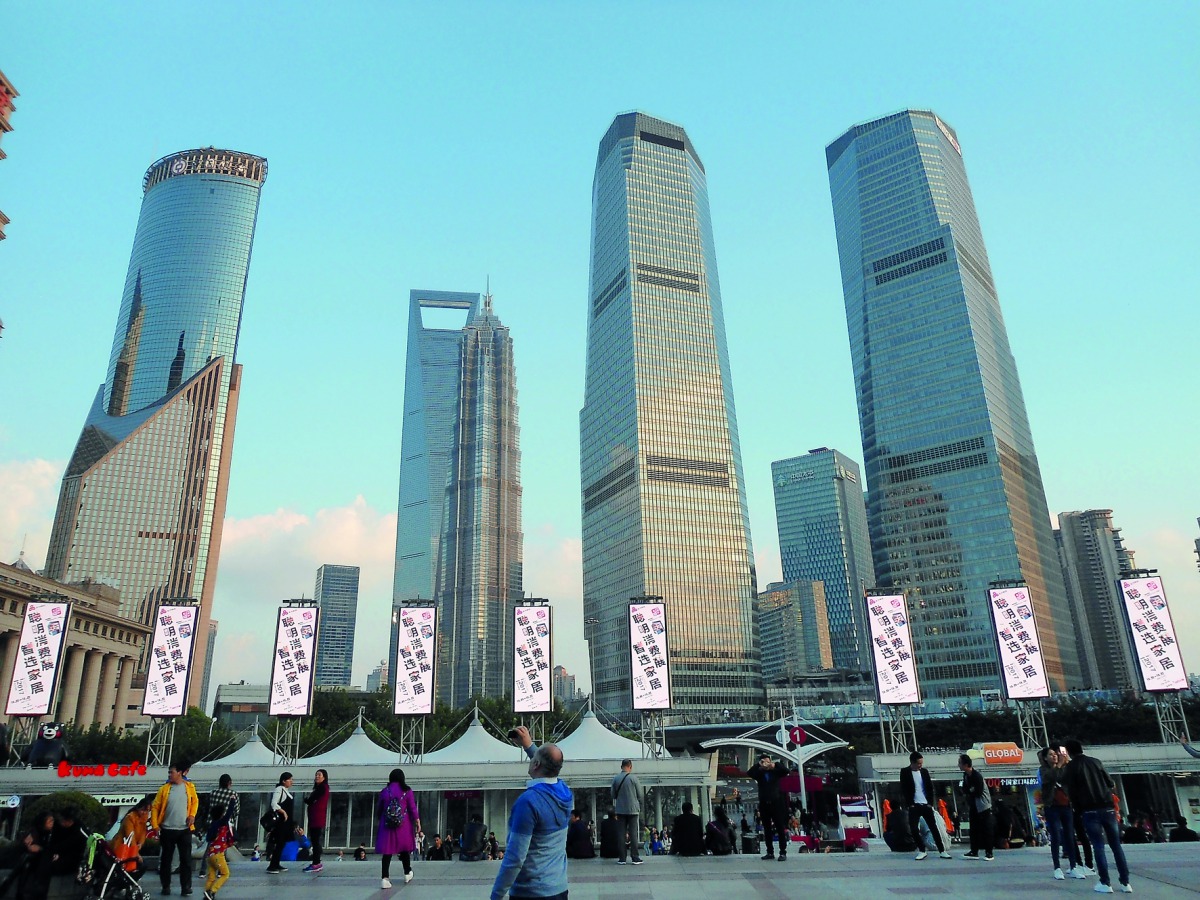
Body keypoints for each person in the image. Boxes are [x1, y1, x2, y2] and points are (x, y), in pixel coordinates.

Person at [491, 724, 572, 900]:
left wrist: (496, 895)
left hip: (530, 892)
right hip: (559, 888)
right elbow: (550, 768)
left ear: (535, 764)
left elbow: (515, 858)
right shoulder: (565, 793)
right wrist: (529, 746)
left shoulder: (528, 803)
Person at [1062, 739, 1132, 893]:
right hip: (1107, 808)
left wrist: (1077, 808)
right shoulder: (1096, 762)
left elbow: (1070, 789)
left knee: (1098, 846)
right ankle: (1125, 882)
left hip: (1089, 810)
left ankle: (1105, 883)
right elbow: (1110, 782)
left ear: (1068, 751)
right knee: (1116, 846)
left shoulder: (1071, 767)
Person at [151, 761, 200, 895]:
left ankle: (186, 886)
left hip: (184, 829)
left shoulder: (189, 787)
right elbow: (155, 807)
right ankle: (165, 885)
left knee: (186, 860)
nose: (170, 775)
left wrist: (192, 815)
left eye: (172, 772)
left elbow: (195, 802)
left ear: (180, 772)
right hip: (167, 829)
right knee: (166, 860)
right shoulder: (164, 789)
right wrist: (155, 825)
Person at [1038, 748, 1085, 880]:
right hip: (1052, 806)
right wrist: (1058, 766)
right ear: (1045, 758)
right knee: (1056, 836)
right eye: (1050, 755)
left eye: (1055, 754)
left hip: (1066, 806)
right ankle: (1057, 867)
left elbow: (1067, 780)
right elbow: (1049, 778)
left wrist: (1065, 764)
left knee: (1070, 836)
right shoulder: (1043, 770)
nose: (1054, 757)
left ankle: (1073, 866)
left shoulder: (1064, 768)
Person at [900, 752, 951, 860]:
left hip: (925, 804)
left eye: (921, 763)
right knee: (914, 829)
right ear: (912, 763)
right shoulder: (904, 772)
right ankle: (922, 850)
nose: (920, 765)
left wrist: (930, 803)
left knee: (934, 827)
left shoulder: (924, 772)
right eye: (918, 763)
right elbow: (904, 788)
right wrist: (910, 804)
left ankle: (942, 850)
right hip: (914, 804)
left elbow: (929, 787)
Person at [376, 767, 421, 889]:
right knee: (404, 849)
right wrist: (417, 822)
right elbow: (412, 808)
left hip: (387, 825)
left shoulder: (385, 791)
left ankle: (385, 878)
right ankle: (407, 873)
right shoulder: (407, 791)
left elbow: (379, 809)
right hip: (403, 825)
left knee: (387, 852)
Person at [747, 752, 793, 861]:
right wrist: (759, 765)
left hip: (776, 802)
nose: (765, 764)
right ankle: (770, 852)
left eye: (767, 761)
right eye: (763, 762)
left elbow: (786, 771)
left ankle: (782, 852)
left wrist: (774, 765)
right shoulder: (759, 774)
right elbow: (749, 772)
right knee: (767, 829)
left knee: (780, 828)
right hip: (764, 803)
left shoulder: (775, 772)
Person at [957, 754, 994, 861]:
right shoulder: (965, 775)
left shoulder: (977, 776)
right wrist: (969, 791)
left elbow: (978, 791)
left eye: (960, 763)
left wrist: (969, 791)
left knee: (986, 829)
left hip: (983, 806)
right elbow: (966, 789)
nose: (958, 765)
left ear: (965, 764)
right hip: (974, 805)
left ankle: (989, 852)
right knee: (973, 829)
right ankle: (974, 851)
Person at [611, 758, 644, 866]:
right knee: (633, 833)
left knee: (621, 834)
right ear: (630, 766)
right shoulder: (634, 778)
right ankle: (635, 857)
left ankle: (622, 858)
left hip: (620, 809)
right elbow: (640, 794)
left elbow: (613, 795)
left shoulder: (616, 779)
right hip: (633, 810)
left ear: (621, 767)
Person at [113, 796, 153, 877]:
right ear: (138, 808)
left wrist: (140, 844)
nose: (145, 813)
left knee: (139, 866)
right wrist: (136, 853)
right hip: (121, 847)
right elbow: (130, 836)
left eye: (147, 811)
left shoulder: (144, 818)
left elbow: (143, 833)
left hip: (132, 849)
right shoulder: (130, 817)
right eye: (143, 810)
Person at [203, 802, 235, 900]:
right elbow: (229, 813)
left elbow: (208, 839)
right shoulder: (221, 823)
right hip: (218, 854)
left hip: (210, 854)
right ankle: (212, 891)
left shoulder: (212, 824)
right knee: (225, 874)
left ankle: (207, 893)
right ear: (221, 814)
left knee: (211, 876)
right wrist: (232, 802)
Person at [265, 771, 295, 874]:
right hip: (281, 823)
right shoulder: (279, 790)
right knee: (279, 843)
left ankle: (276, 863)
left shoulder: (285, 791)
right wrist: (283, 812)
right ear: (283, 781)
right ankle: (273, 865)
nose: (291, 782)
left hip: (286, 823)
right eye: (289, 780)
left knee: (282, 844)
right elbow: (274, 804)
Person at [302, 768, 329, 873]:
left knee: (315, 840)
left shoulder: (322, 788)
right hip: (315, 817)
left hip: (317, 817)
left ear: (324, 777)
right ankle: (316, 862)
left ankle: (316, 863)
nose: (317, 776)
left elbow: (311, 800)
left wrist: (307, 800)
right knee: (315, 840)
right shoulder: (320, 788)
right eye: (316, 775)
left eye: (319, 775)